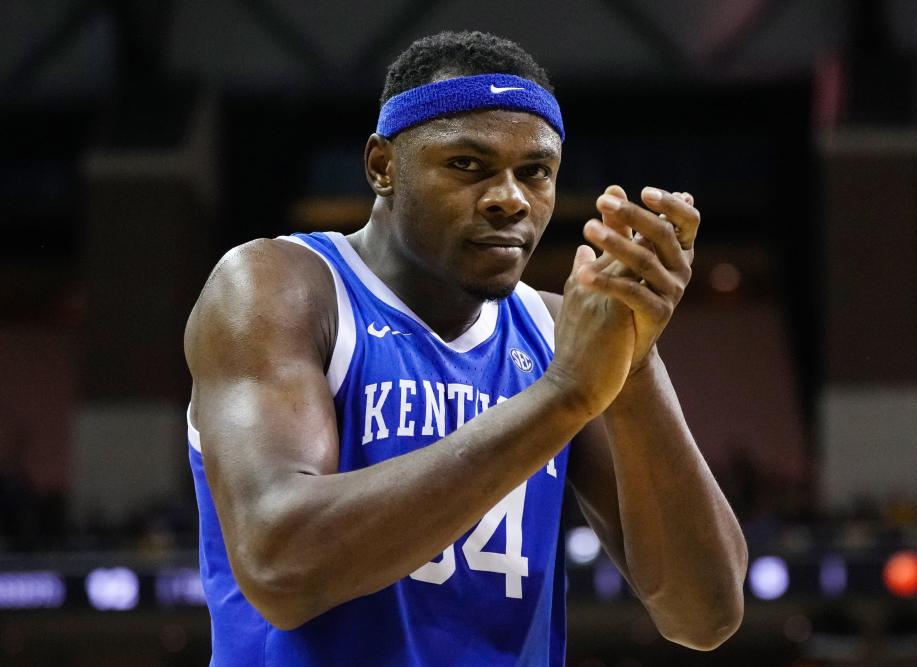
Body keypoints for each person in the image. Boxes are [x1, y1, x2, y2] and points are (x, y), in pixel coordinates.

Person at [184, 30, 747, 666]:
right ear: (382, 166)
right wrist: (565, 395)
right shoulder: (281, 288)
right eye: (467, 165)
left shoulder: (567, 335)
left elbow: (705, 615)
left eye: (534, 172)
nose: (510, 198)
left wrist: (635, 365)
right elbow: (281, 566)